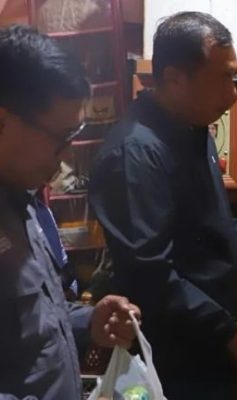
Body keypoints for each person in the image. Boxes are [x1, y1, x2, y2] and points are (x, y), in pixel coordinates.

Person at [88, 12, 237, 399]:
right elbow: (150, 276)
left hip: (209, 343)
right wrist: (232, 334)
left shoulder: (193, 130)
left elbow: (207, 220)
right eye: (224, 79)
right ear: (175, 79)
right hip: (171, 360)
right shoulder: (135, 155)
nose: (234, 94)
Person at [0, 25, 141, 399]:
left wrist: (87, 321)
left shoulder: (24, 204)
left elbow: (32, 321)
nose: (66, 156)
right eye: (62, 138)